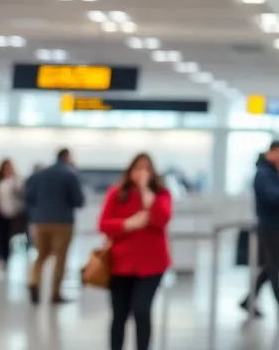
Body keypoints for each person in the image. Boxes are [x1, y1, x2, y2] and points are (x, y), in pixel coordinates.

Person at [99, 153, 173, 350]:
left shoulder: (161, 194)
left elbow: (161, 219)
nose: (141, 173)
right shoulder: (117, 193)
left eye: (146, 169)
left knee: (141, 310)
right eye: (138, 168)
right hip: (120, 264)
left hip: (152, 265)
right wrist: (127, 224)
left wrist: (146, 191)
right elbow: (104, 224)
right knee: (119, 314)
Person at [241, 140, 279, 321]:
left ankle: (248, 300)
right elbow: (275, 196)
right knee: (273, 267)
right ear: (271, 153)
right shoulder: (263, 174)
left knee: (271, 267)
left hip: (278, 225)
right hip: (269, 226)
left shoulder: (276, 172)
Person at [25, 147, 85, 304]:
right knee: (60, 257)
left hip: (41, 221)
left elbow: (29, 197)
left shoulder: (40, 174)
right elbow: (78, 200)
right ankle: (55, 293)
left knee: (41, 255)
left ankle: (33, 281)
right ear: (67, 157)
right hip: (62, 222)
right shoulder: (70, 174)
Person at [0, 159, 23, 271]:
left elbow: (20, 194)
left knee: (7, 235)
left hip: (10, 212)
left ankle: (5, 257)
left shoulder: (15, 181)